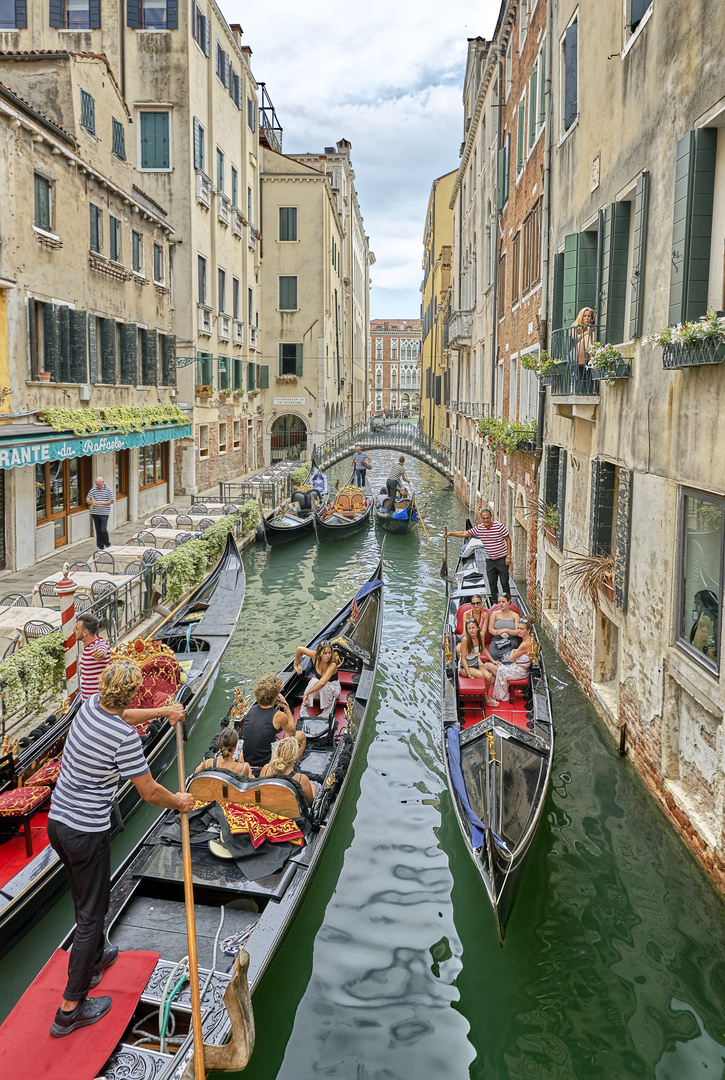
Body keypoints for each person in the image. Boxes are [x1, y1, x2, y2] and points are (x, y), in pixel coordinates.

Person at [46, 660, 194, 1037]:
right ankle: (70, 1008)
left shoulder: (89, 705)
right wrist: (178, 802)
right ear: (128, 693)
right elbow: (147, 791)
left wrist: (164, 710)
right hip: (85, 832)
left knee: (85, 899)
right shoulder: (124, 739)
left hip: (58, 824)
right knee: (91, 913)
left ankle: (96, 959)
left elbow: (123, 713)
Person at [446, 508, 512, 598]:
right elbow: (465, 533)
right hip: (490, 560)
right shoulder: (479, 529)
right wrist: (450, 533)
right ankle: (495, 602)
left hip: (502, 559)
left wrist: (508, 556)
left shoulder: (499, 526)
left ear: (491, 517)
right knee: (491, 583)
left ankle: (508, 600)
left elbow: (508, 540)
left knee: (504, 582)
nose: (486, 520)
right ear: (481, 518)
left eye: (487, 518)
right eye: (483, 518)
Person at [241, 674, 301, 774]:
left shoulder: (250, 710)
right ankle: (291, 771)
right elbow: (292, 732)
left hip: (248, 760)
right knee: (301, 736)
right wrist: (286, 707)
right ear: (276, 695)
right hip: (265, 762)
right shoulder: (278, 716)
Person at [483, 616, 535, 704]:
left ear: (528, 630)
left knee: (486, 665)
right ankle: (485, 695)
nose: (518, 631)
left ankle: (487, 696)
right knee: (492, 676)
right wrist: (515, 652)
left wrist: (513, 651)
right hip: (517, 668)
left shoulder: (525, 644)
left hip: (519, 671)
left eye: (521, 629)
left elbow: (511, 658)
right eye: (518, 628)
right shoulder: (530, 639)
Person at [260, 735, 317, 806]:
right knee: (316, 785)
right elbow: (310, 803)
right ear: (295, 757)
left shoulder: (266, 769)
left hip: (270, 809)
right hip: (291, 814)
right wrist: (313, 787)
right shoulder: (301, 779)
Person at [456, 617, 498, 706]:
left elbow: (483, 650)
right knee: (481, 675)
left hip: (476, 662)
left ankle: (486, 696)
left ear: (478, 628)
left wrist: (492, 661)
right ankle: (486, 699)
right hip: (465, 666)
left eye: (473, 628)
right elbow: (463, 658)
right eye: (469, 628)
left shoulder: (481, 636)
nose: (471, 630)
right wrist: (469, 674)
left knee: (488, 677)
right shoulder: (465, 639)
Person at [293, 640, 341, 717]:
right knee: (313, 681)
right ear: (319, 653)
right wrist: (296, 665)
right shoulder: (314, 655)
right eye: (325, 653)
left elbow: (322, 682)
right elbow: (299, 649)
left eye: (329, 653)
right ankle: (304, 707)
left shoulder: (332, 665)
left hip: (333, 689)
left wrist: (307, 693)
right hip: (321, 689)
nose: (328, 656)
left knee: (323, 685)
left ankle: (327, 709)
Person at [76, 613, 110, 701]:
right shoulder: (87, 646)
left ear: (85, 632)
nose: (74, 631)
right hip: (86, 698)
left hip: (97, 700)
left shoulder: (99, 644)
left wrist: (100, 653)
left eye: (76, 629)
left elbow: (101, 651)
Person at [487, 593, 523, 661]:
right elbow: (490, 629)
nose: (501, 604)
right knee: (493, 654)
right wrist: (501, 634)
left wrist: (506, 630)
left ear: (509, 602)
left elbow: (518, 632)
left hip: (511, 640)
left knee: (507, 655)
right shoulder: (495, 614)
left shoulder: (515, 616)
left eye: (503, 602)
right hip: (497, 639)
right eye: (499, 602)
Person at [86, 475, 114, 550]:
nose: (98, 486)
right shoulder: (93, 489)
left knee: (103, 529)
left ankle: (107, 544)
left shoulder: (108, 490)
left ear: (103, 482)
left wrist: (102, 503)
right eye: (97, 484)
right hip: (95, 512)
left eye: (99, 484)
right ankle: (100, 546)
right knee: (98, 530)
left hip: (104, 513)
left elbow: (111, 501)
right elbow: (87, 499)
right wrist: (92, 502)